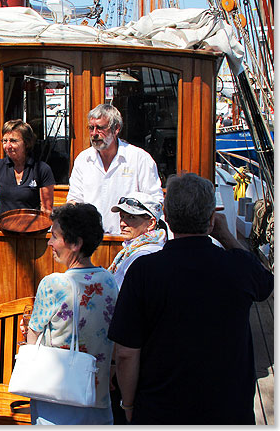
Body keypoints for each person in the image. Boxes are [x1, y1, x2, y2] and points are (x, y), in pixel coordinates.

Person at [108, 173, 273, 424]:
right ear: (210, 220)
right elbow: (264, 285)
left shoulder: (144, 271)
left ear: (168, 219)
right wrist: (226, 236)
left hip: (160, 410)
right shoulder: (239, 268)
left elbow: (126, 353)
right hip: (228, 410)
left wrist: (128, 404)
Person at [26, 203, 119, 425]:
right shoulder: (109, 280)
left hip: (58, 394)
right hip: (97, 394)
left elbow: (32, 336)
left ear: (76, 243)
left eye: (55, 236)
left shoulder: (54, 283)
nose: (49, 242)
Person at [66, 104, 163, 234]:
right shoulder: (83, 160)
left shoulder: (139, 158)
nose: (94, 134)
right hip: (92, 240)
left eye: (100, 128)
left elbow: (154, 202)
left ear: (116, 128)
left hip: (130, 241)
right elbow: (75, 200)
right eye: (91, 128)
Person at [108, 191, 167, 289]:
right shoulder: (133, 250)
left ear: (151, 223)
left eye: (132, 217)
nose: (123, 223)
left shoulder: (145, 254)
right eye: (122, 216)